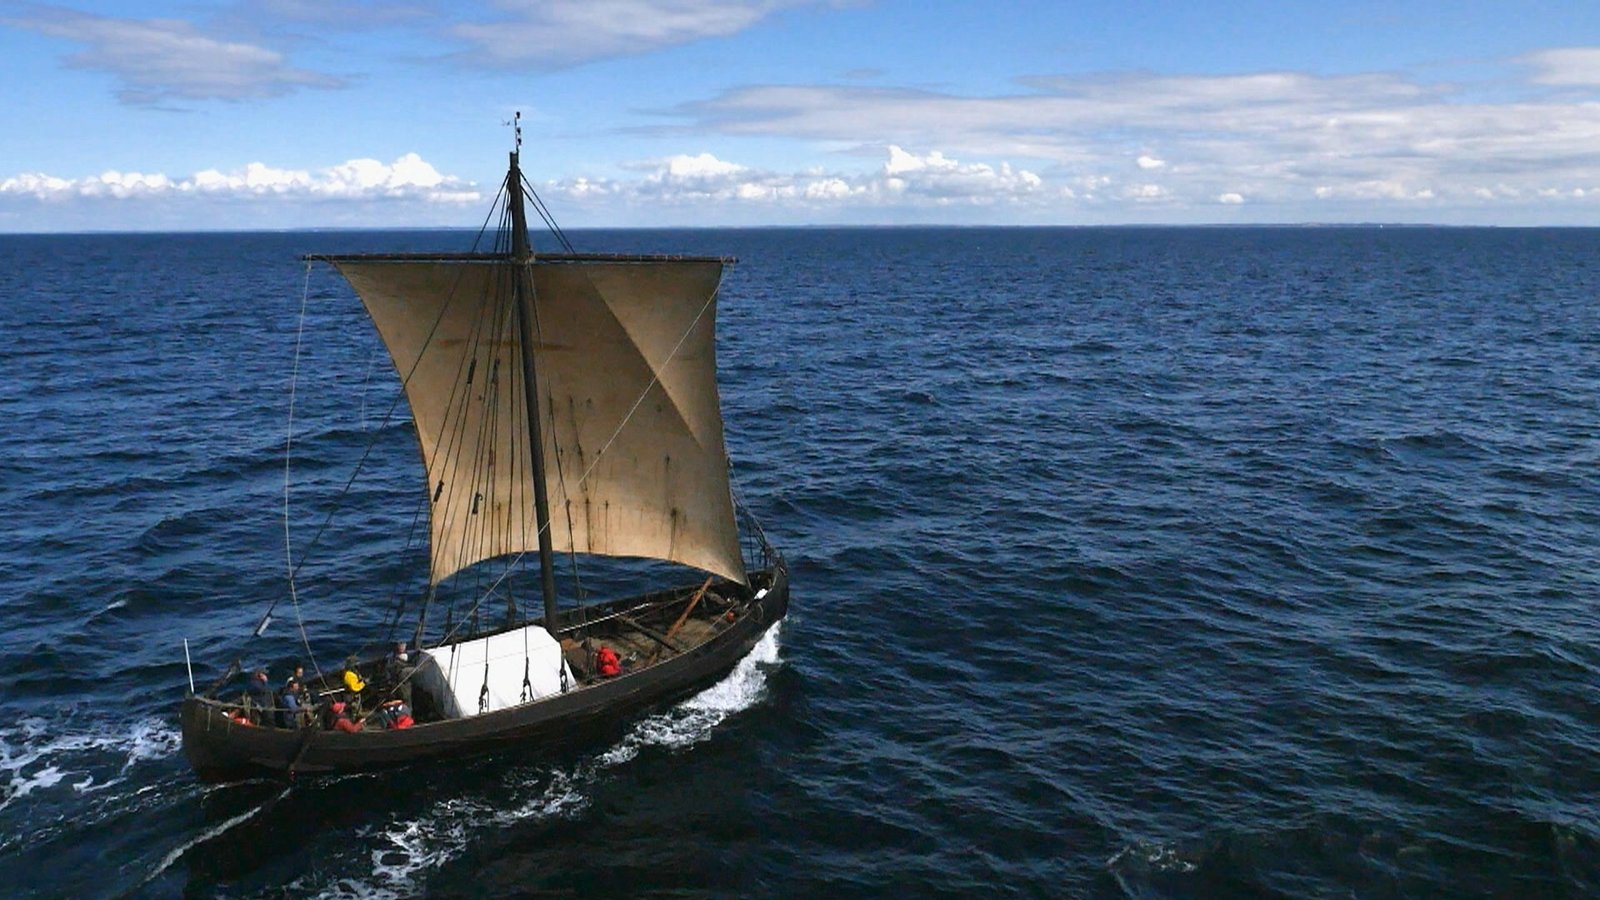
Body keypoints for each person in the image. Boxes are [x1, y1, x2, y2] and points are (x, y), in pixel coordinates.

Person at [385, 642, 414, 706]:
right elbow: (388, 670)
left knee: (405, 700)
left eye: (403, 645)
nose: (402, 647)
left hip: (403, 687)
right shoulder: (391, 659)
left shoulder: (409, 656)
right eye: (400, 645)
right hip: (396, 685)